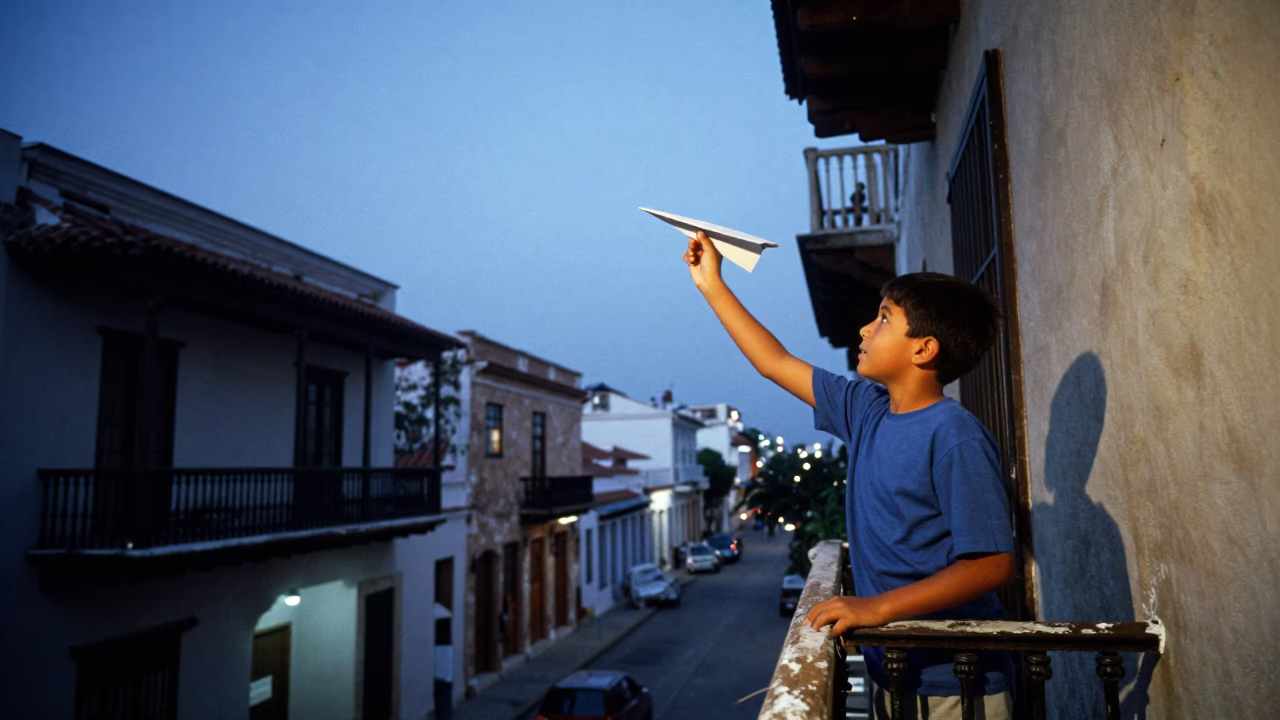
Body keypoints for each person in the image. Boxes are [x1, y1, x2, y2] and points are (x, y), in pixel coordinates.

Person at [682, 232, 1015, 720]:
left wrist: (875, 609)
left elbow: (990, 565)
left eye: (883, 319)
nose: (864, 329)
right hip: (892, 669)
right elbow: (774, 363)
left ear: (923, 349)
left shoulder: (954, 435)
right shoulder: (866, 410)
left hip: (957, 684)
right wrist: (711, 284)